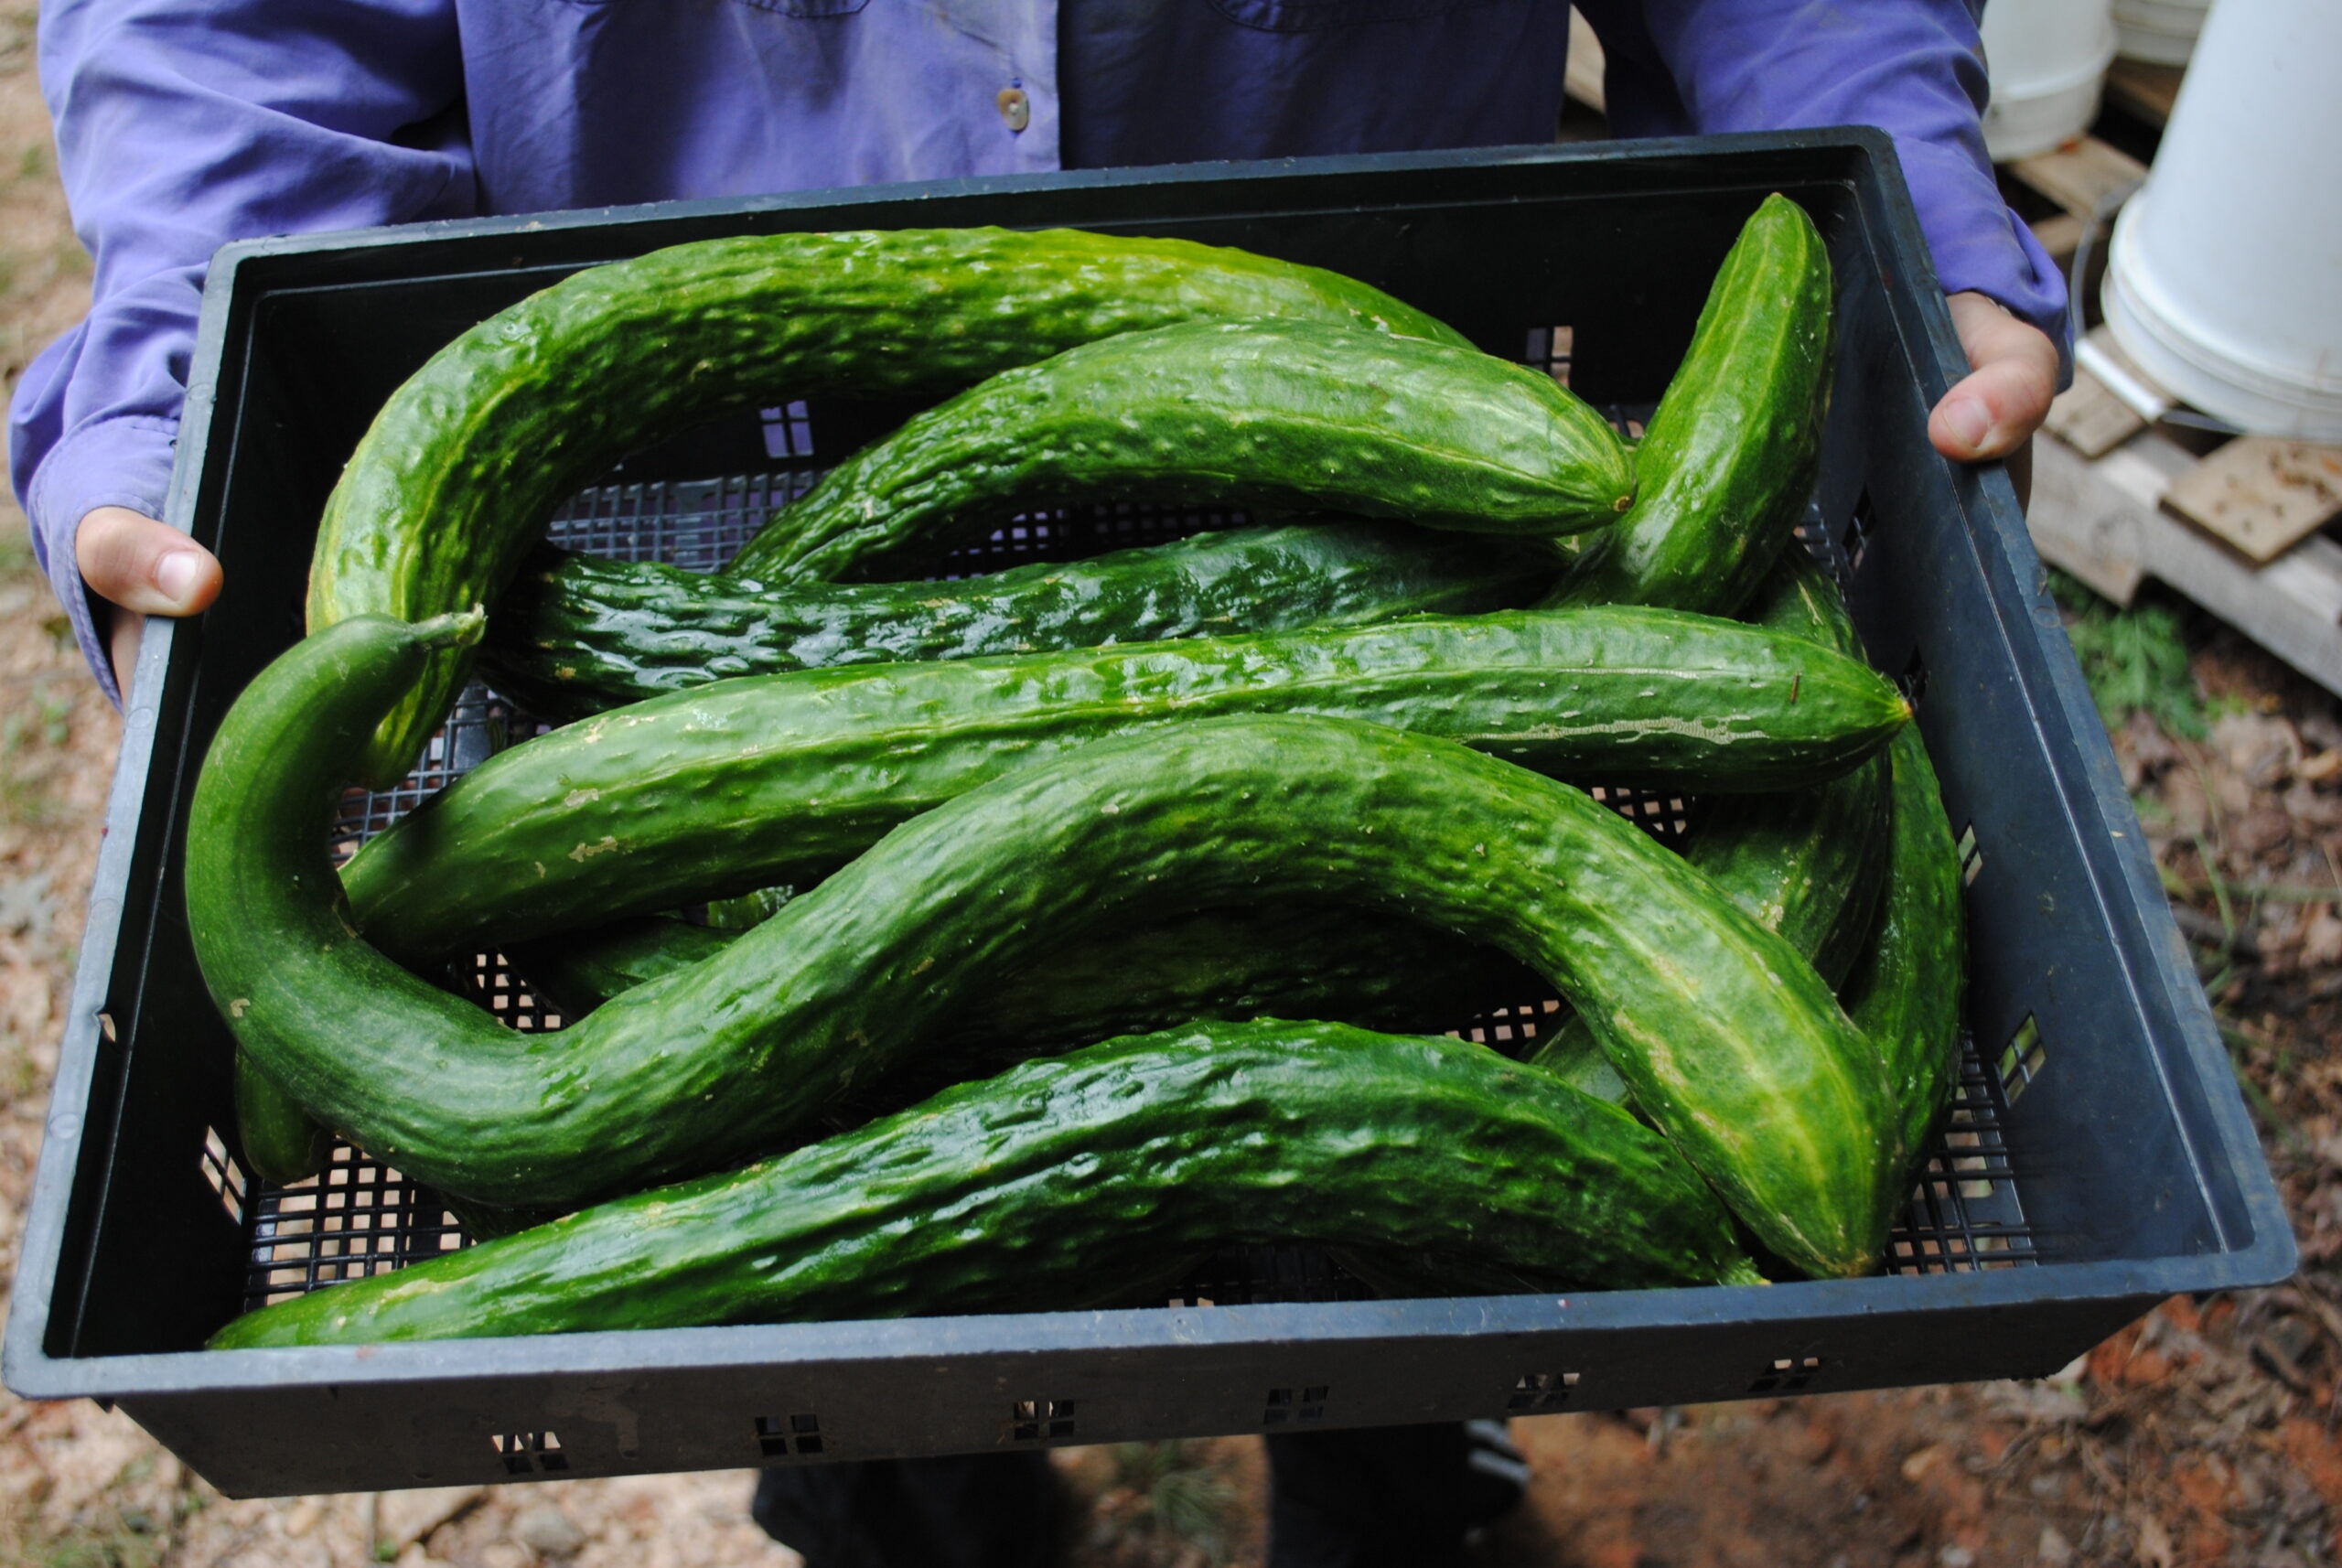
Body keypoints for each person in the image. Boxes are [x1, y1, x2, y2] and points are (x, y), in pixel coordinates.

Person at [13, 5, 2065, 1564]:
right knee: (868, 1274)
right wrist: (190, 385)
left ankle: (1391, 1449)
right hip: (745, 437)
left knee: (1369, 1158)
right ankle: (912, 1496)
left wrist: (1898, 176)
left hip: (1390, 354)